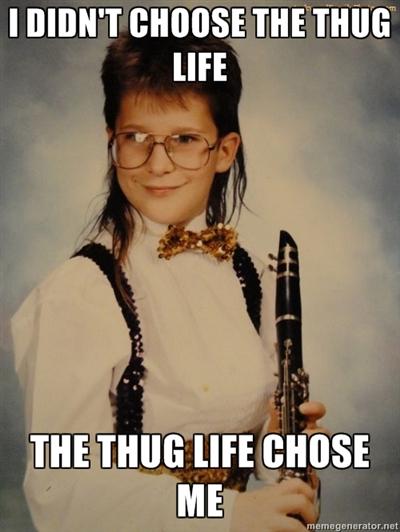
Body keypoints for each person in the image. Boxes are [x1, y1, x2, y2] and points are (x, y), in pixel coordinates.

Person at [11, 33, 328, 532]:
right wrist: (226, 515)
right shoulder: (79, 293)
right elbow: (61, 490)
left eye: (184, 139)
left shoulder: (253, 277)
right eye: (136, 137)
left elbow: (251, 459)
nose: (158, 164)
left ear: (224, 151)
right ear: (111, 141)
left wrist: (285, 449)